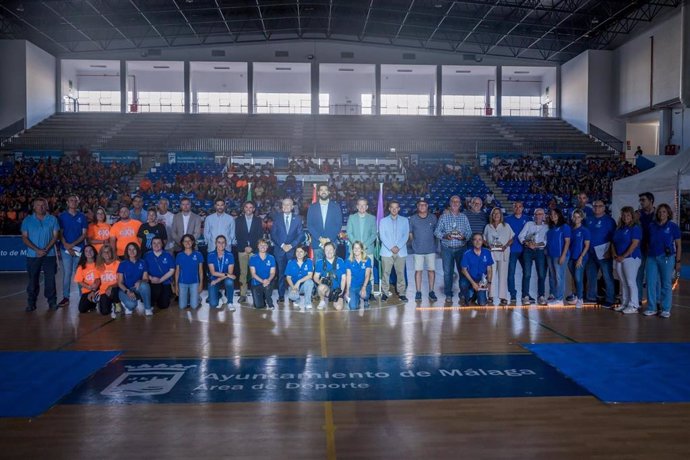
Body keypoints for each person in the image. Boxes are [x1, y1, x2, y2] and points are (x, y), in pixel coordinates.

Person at [21, 197, 60, 311]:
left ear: (47, 206)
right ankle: (31, 303)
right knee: (33, 280)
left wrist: (46, 249)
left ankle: (52, 302)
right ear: (34, 207)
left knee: (50, 280)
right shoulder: (27, 220)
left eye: (43, 205)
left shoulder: (52, 219)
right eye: (38, 205)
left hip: (50, 255)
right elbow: (24, 237)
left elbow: (55, 236)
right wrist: (37, 250)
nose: (41, 207)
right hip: (33, 255)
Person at [642, 203, 680, 318]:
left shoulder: (673, 226)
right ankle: (652, 307)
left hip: (667, 257)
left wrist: (678, 261)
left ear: (668, 213)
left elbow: (679, 245)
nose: (661, 214)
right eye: (659, 212)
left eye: (664, 212)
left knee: (666, 283)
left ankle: (665, 309)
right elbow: (648, 241)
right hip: (652, 257)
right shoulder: (652, 226)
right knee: (651, 282)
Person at [434, 195, 472, 305]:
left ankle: (463, 293)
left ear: (460, 204)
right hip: (447, 249)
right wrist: (445, 236)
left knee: (463, 272)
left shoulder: (464, 217)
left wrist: (464, 237)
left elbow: (469, 233)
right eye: (453, 201)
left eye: (457, 202)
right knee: (447, 273)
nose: (455, 203)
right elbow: (437, 232)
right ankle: (448, 294)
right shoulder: (443, 217)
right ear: (450, 204)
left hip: (461, 249)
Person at [271, 198, 304, 304]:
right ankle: (281, 295)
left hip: (292, 250)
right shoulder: (276, 217)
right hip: (279, 250)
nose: (286, 206)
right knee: (281, 273)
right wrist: (282, 245)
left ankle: (292, 294)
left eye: (288, 205)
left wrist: (291, 245)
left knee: (292, 274)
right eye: (284, 204)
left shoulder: (298, 219)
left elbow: (300, 235)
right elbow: (273, 234)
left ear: (292, 207)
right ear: (282, 206)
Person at [57, 194, 88, 308]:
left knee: (79, 274)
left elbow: (84, 234)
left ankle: (82, 296)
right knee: (67, 274)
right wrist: (67, 246)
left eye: (75, 201)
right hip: (65, 249)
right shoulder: (62, 216)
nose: (73, 202)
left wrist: (72, 245)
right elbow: (60, 233)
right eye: (71, 200)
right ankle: (66, 297)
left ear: (78, 202)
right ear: (67, 202)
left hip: (79, 249)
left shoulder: (82, 216)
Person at [585, 200, 616, 307]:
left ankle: (610, 298)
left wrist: (609, 251)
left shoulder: (609, 221)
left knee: (607, 276)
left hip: (604, 252)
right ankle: (591, 297)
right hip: (590, 252)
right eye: (595, 206)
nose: (597, 208)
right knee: (591, 275)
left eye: (599, 206)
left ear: (604, 208)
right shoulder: (588, 219)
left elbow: (614, 238)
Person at [612, 207, 642, 314]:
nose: (626, 217)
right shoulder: (619, 228)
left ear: (632, 216)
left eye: (628, 215)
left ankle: (633, 305)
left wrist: (624, 256)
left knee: (630, 281)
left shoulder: (635, 228)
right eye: (624, 215)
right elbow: (613, 243)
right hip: (619, 258)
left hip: (631, 258)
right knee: (623, 282)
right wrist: (615, 255)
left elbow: (634, 244)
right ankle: (625, 303)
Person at [379, 200, 410, 302]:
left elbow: (406, 235)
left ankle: (402, 293)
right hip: (387, 251)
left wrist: (398, 247)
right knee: (385, 273)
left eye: (396, 207)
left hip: (401, 251)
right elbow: (382, 236)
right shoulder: (383, 221)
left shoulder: (405, 220)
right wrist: (391, 247)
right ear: (389, 208)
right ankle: (385, 293)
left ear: (399, 209)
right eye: (392, 207)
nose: (394, 209)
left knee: (400, 273)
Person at [408, 198, 438, 302]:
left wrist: (434, 245)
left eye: (424, 205)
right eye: (420, 205)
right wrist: (414, 243)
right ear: (417, 206)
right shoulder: (413, 218)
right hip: (418, 250)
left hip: (430, 249)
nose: (422, 206)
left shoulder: (433, 218)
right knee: (418, 271)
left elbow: (436, 232)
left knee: (431, 271)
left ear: (427, 206)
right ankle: (418, 292)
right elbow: (410, 233)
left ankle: (431, 291)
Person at [483, 207, 514, 306]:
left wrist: (505, 246)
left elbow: (511, 239)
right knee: (491, 275)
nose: (496, 215)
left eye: (498, 213)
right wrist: (488, 245)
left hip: (503, 253)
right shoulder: (488, 226)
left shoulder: (506, 226)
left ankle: (503, 297)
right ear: (491, 215)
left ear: (501, 215)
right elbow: (484, 239)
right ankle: (490, 296)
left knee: (503, 275)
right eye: (494, 213)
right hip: (491, 253)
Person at [235, 200, 264, 303]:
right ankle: (243, 294)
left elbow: (260, 235)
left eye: (250, 207)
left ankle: (257, 293)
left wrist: (251, 247)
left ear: (254, 209)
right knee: (243, 273)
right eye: (246, 207)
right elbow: (237, 235)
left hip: (254, 250)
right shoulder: (238, 220)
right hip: (242, 250)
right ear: (244, 209)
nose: (248, 209)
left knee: (255, 273)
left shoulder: (258, 220)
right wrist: (245, 247)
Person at [519, 208, 548, 305]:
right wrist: (527, 243)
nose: (538, 216)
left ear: (543, 216)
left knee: (541, 274)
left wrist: (537, 245)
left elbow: (546, 241)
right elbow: (521, 236)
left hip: (540, 251)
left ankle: (541, 296)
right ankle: (525, 296)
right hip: (528, 250)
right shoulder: (528, 224)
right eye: (536, 214)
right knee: (527, 274)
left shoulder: (546, 227)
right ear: (533, 215)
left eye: (540, 214)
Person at [306, 184, 343, 261]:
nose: (323, 192)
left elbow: (338, 225)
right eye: (321, 190)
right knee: (318, 270)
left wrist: (328, 239)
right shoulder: (312, 207)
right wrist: (320, 238)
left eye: (325, 190)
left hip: (331, 242)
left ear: (329, 192)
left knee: (332, 270)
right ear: (318, 192)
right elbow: (310, 225)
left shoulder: (336, 207)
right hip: (317, 243)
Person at [117, 242, 152, 316]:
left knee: (145, 285)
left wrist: (140, 281)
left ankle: (148, 309)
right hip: (125, 290)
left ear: (137, 251)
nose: (132, 251)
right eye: (129, 249)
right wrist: (127, 291)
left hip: (137, 288)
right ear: (127, 251)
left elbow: (146, 279)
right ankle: (126, 303)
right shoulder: (122, 264)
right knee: (131, 305)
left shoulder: (142, 262)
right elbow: (120, 282)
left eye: (134, 249)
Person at [505, 201, 529, 305]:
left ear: (523, 208)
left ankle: (525, 294)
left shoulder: (528, 219)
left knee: (527, 273)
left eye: (520, 206)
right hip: (512, 250)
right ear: (513, 208)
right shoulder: (507, 220)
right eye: (516, 206)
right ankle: (513, 294)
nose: (518, 208)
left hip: (525, 250)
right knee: (511, 273)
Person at [545, 208, 571, 305]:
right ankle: (555, 296)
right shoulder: (551, 229)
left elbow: (567, 242)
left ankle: (559, 299)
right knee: (552, 277)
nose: (553, 216)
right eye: (551, 214)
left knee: (559, 277)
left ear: (559, 215)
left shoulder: (565, 227)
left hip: (560, 256)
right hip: (550, 256)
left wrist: (563, 255)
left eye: (555, 213)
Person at [460, 233, 493, 306]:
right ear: (472, 241)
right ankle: (467, 297)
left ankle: (475, 295)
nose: (477, 242)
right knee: (462, 283)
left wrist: (489, 282)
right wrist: (473, 283)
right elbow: (463, 270)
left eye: (480, 240)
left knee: (482, 303)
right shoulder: (467, 253)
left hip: (481, 280)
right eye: (475, 240)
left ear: (482, 241)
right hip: (469, 279)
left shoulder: (487, 252)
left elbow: (489, 269)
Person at [143, 236, 175, 310]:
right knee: (155, 291)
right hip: (152, 282)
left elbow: (172, 270)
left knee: (164, 305)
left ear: (162, 244)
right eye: (154, 243)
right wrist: (151, 278)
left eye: (158, 243)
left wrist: (160, 280)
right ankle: (150, 301)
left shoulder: (168, 255)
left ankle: (158, 298)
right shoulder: (147, 255)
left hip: (165, 282)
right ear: (151, 245)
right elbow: (144, 271)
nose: (156, 245)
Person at [567, 209, 590, 308]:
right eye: (574, 217)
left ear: (581, 218)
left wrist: (581, 257)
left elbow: (587, 246)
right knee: (575, 278)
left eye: (578, 217)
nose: (576, 219)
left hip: (580, 258)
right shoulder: (571, 230)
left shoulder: (585, 230)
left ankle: (580, 299)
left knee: (578, 277)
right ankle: (576, 295)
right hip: (571, 258)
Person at [207, 235, 237, 311]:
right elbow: (213, 273)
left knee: (230, 282)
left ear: (226, 244)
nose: (221, 244)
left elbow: (230, 273)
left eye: (223, 242)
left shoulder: (230, 255)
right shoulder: (210, 255)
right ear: (215, 243)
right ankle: (220, 294)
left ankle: (230, 302)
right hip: (214, 278)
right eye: (219, 242)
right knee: (213, 304)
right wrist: (227, 274)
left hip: (225, 279)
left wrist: (218, 280)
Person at [174, 234, 204, 310]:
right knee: (182, 306)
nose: (187, 242)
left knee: (194, 306)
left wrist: (201, 284)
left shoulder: (198, 254)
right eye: (185, 241)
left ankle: (198, 298)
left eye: (189, 241)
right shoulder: (179, 255)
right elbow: (177, 272)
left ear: (193, 242)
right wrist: (176, 285)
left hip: (194, 282)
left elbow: (200, 271)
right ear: (182, 243)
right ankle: (189, 296)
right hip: (182, 283)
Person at [636, 192, 656, 306]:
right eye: (640, 200)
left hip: (653, 250)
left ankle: (653, 303)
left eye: (643, 200)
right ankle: (637, 300)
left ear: (651, 200)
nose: (641, 202)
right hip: (640, 249)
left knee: (652, 278)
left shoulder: (658, 214)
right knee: (638, 276)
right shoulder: (638, 214)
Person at [314, 241, 346, 310]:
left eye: (331, 249)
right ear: (324, 252)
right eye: (326, 250)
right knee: (321, 287)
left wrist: (342, 292)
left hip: (337, 290)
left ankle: (339, 298)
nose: (329, 252)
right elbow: (315, 277)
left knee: (339, 308)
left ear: (334, 250)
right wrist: (320, 282)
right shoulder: (320, 262)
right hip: (327, 289)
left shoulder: (340, 261)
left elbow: (343, 278)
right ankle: (322, 300)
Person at [249, 239, 277, 310]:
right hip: (256, 283)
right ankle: (262, 297)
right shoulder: (253, 258)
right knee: (259, 306)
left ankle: (270, 302)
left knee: (267, 286)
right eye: (261, 245)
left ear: (267, 247)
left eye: (265, 245)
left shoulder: (271, 258)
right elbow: (253, 274)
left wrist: (267, 280)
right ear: (258, 246)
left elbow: (272, 273)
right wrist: (262, 281)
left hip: (268, 282)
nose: (263, 247)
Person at [285, 245, 315, 310]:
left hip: (303, 286)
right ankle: (297, 300)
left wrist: (299, 282)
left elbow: (310, 275)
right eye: (297, 251)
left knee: (310, 282)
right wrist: (293, 287)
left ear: (305, 253)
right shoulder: (290, 262)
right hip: (293, 285)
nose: (299, 253)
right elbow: (288, 277)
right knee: (292, 296)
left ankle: (307, 303)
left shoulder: (309, 261)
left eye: (301, 252)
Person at [346, 241, 372, 310]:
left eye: (358, 248)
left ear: (362, 249)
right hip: (354, 286)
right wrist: (347, 291)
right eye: (355, 248)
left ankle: (366, 300)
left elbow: (367, 275)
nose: (356, 250)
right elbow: (348, 277)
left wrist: (364, 287)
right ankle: (357, 298)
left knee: (364, 295)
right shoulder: (349, 261)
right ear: (352, 250)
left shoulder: (367, 260)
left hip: (364, 284)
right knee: (353, 307)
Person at [74, 244, 101, 313]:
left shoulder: (99, 263)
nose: (89, 253)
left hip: (99, 288)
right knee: (82, 309)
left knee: (104, 308)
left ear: (94, 252)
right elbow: (79, 281)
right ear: (84, 254)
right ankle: (93, 302)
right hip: (87, 289)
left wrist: (93, 291)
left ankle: (99, 298)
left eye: (91, 250)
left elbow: (99, 279)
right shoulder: (81, 267)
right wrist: (89, 287)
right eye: (86, 251)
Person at [95, 244, 120, 317]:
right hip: (104, 291)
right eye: (104, 252)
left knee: (114, 290)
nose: (107, 253)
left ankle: (117, 303)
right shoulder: (99, 266)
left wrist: (111, 286)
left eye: (109, 251)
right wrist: (93, 290)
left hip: (116, 289)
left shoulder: (117, 263)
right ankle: (110, 303)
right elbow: (98, 280)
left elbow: (121, 281)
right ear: (101, 254)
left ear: (112, 253)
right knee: (104, 312)